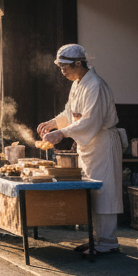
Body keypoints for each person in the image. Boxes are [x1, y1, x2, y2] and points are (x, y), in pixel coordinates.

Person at [37, 44, 123, 255]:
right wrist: (54, 123)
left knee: (104, 192)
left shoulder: (96, 85)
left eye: (65, 67)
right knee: (91, 192)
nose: (62, 71)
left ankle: (108, 242)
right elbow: (70, 112)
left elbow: (91, 120)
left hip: (102, 143)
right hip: (89, 145)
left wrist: (61, 133)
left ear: (78, 63)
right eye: (60, 67)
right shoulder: (78, 84)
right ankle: (96, 238)